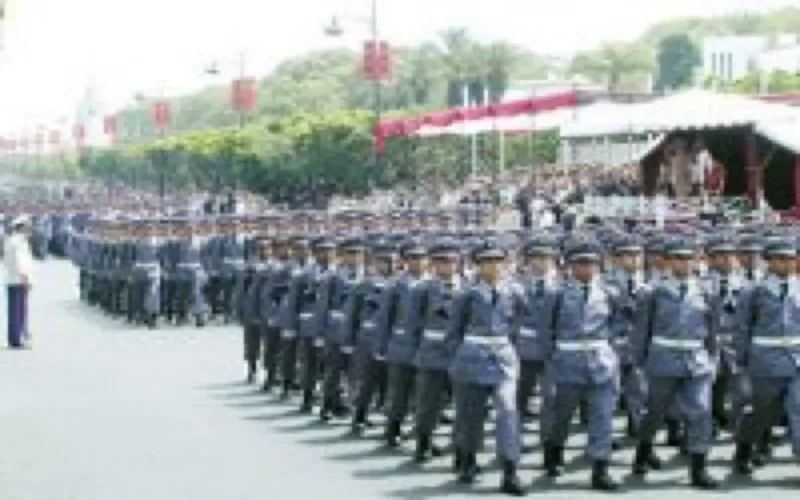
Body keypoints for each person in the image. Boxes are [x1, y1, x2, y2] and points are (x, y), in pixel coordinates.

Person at [4, 215, 34, 349]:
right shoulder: (19, 242)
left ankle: (13, 338)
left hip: (11, 279)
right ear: (22, 228)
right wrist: (25, 278)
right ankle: (18, 339)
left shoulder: (10, 240)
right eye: (28, 227)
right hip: (19, 279)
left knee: (13, 311)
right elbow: (20, 262)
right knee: (20, 310)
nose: (30, 230)